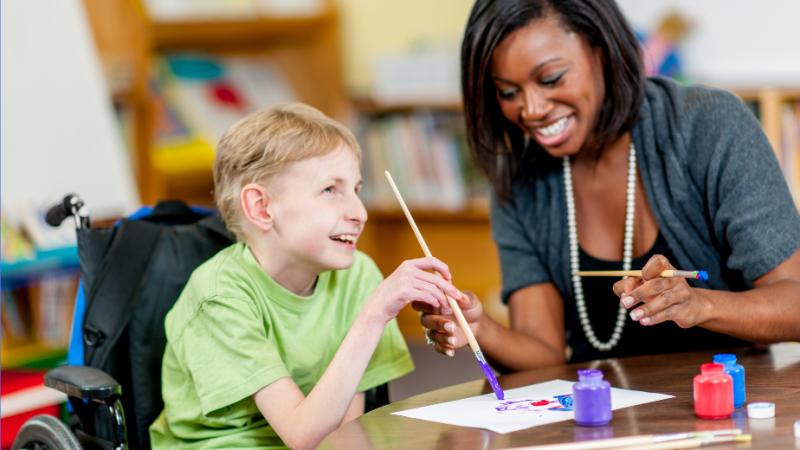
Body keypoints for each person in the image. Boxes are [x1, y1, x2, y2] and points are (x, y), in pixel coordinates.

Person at [416, 0, 800, 369]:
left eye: (551, 78)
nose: (532, 110)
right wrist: (479, 328)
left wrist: (699, 306)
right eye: (508, 92)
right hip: (598, 407)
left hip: (726, 399)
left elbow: (795, 302)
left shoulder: (709, 125)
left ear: (601, 51)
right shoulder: (520, 179)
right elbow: (544, 353)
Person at [149, 103, 463, 450]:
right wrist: (375, 313)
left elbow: (345, 434)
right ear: (261, 208)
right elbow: (304, 438)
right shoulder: (219, 295)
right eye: (330, 190)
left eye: (357, 190)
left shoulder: (358, 275)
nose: (360, 213)